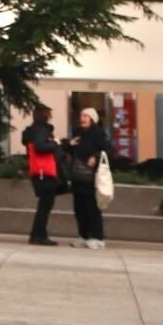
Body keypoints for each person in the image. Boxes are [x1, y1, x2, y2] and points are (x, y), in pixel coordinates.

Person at [67, 105, 108, 250]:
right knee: (79, 209)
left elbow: (108, 150)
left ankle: (96, 237)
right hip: (77, 177)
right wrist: (70, 145)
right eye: (81, 116)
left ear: (92, 119)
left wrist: (95, 156)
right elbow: (71, 153)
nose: (82, 119)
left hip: (91, 178)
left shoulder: (98, 134)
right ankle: (82, 235)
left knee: (92, 208)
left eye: (86, 116)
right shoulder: (77, 134)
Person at [23, 103, 64, 246]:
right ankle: (39, 235)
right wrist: (55, 143)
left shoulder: (34, 129)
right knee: (45, 206)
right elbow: (40, 147)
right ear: (44, 115)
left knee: (44, 205)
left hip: (40, 171)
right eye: (49, 114)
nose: (51, 116)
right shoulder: (40, 129)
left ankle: (37, 235)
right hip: (43, 171)